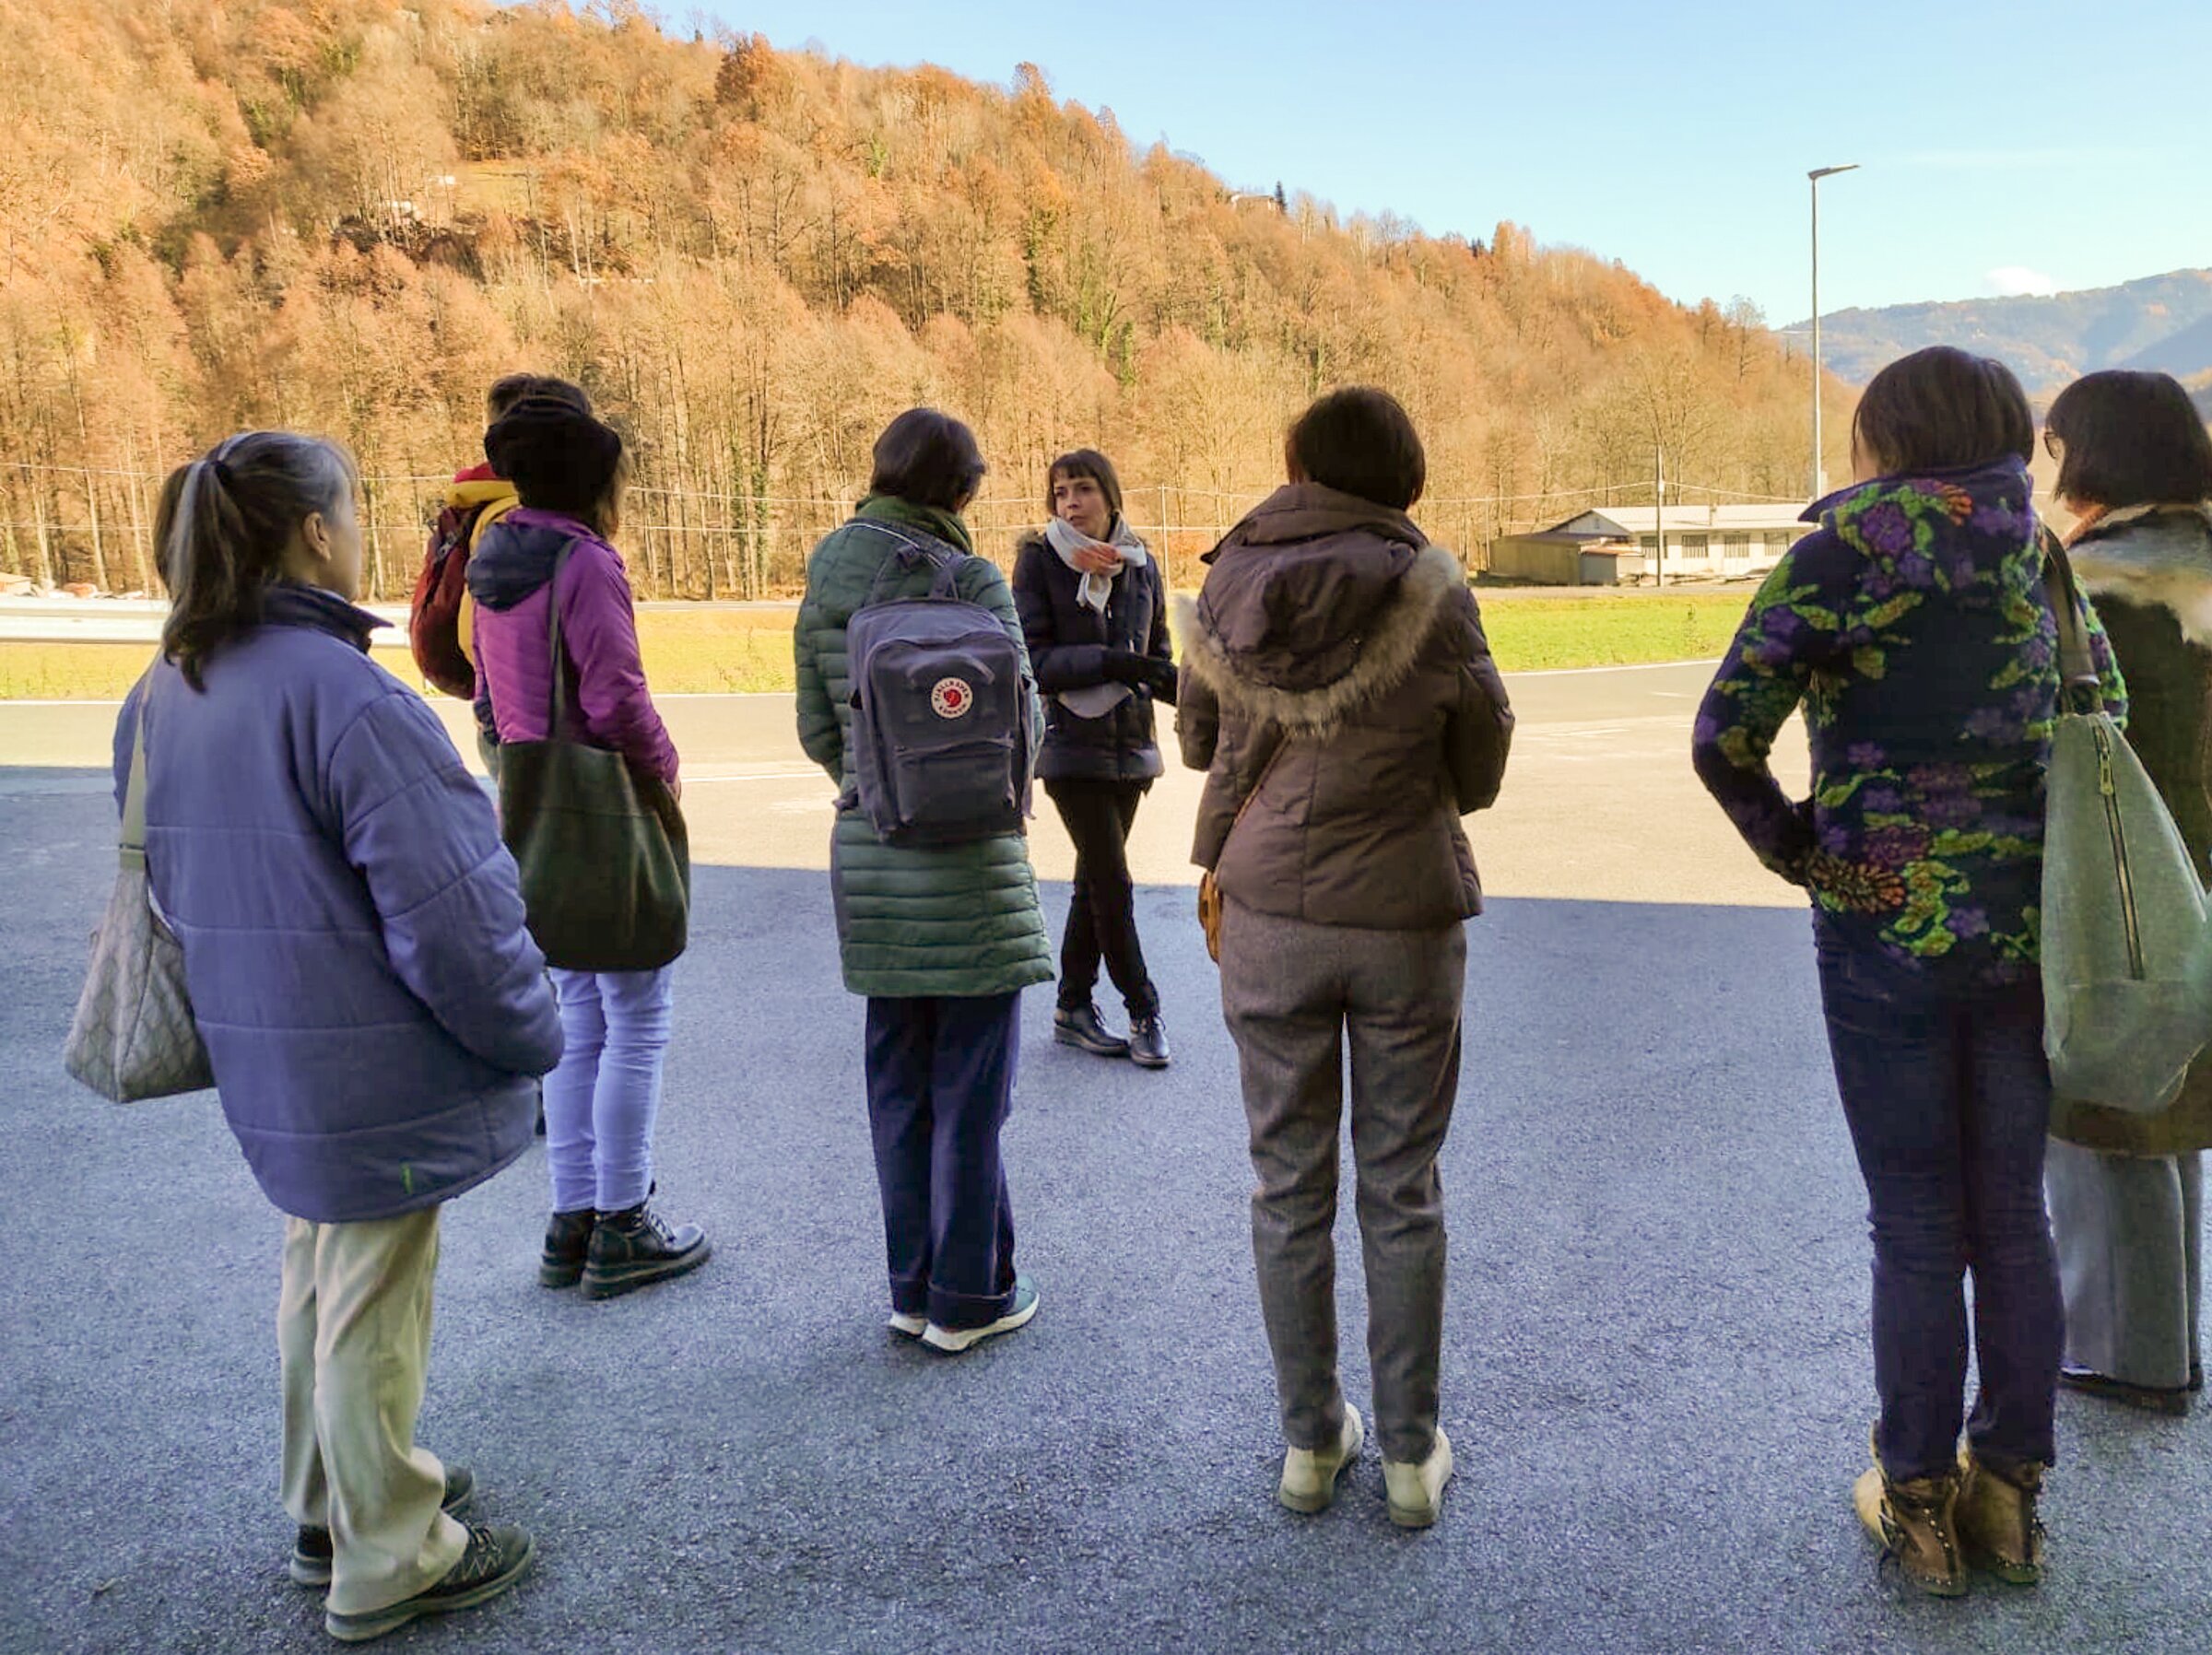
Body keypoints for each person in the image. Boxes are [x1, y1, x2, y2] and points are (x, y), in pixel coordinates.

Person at [1692, 346, 2128, 1596]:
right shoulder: (2036, 550)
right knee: (2015, 1218)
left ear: (1890, 436)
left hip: (1885, 933)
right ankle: (2011, 1501)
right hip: (2029, 936)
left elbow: (1724, 736)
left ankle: (1920, 1503)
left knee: (1917, 1218)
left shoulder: (1849, 548)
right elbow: (2110, 726)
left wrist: (1806, 854)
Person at [130, 431, 560, 1640]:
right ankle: (391, 1549)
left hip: (265, 1051)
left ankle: (329, 1497)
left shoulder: (170, 684)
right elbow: (453, 922)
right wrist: (532, 1029)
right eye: (354, 507)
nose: (361, 525)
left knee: (320, 1276)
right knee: (374, 1290)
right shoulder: (349, 696)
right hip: (370, 1057)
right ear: (316, 533)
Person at [1179, 387, 1513, 1527]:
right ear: (1404, 471)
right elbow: (1482, 759)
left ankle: (1309, 1444)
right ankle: (1414, 1455)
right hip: (1406, 917)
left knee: (1287, 1180)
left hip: (1268, 911)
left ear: (1297, 461)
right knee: (1401, 1185)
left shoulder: (1228, 574)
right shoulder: (1433, 586)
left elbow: (1194, 740)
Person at [794, 407, 1054, 1353]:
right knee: (974, 1091)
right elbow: (1029, 728)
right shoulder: (975, 578)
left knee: (899, 1086)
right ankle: (968, 1296)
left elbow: (818, 731)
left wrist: (874, 791)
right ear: (960, 489)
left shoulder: (829, 572)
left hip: (876, 858)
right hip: (977, 867)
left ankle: (911, 1289)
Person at [467, 393, 710, 1299]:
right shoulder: (586, 561)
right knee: (638, 1012)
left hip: (527, 797)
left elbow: (489, 693)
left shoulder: (495, 555)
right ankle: (624, 1220)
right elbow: (613, 696)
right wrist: (668, 770)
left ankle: (571, 1218)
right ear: (593, 479)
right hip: (601, 801)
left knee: (576, 1012)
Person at [2040, 369, 2212, 1415]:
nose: (2049, 467)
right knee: (2178, 1097)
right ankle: (2170, 1332)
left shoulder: (2096, 580)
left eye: (2055, 445)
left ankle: (2133, 1352)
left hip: (2138, 879)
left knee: (2112, 1110)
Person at [1011, 449, 1178, 1068]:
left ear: (1111, 496)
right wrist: (1110, 662)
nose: (1069, 503)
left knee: (1093, 883)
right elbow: (1033, 660)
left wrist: (1200, 694)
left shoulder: (1142, 565)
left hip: (1131, 748)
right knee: (1113, 881)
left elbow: (1157, 653)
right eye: (1059, 493)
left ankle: (1072, 1006)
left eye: (1081, 490)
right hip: (1069, 745)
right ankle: (1143, 1009)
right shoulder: (1038, 561)